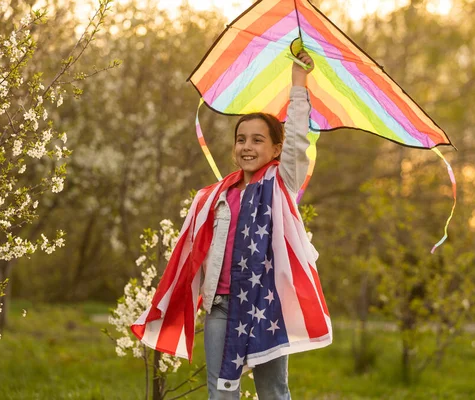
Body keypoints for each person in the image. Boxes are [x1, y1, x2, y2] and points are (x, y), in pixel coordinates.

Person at [132, 50, 332, 400]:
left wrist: (298, 82)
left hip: (266, 304)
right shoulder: (215, 197)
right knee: (221, 392)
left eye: (257, 140)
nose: (247, 146)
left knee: (273, 390)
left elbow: (298, 136)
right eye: (241, 139)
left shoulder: (279, 183)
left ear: (275, 149)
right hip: (222, 306)